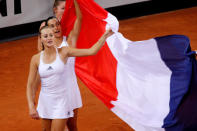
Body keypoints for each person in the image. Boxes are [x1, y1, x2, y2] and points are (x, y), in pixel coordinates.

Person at [26, 26, 113, 131]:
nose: (49, 38)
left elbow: (91, 51)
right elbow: (30, 85)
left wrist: (104, 36)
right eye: (45, 36)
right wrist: (31, 106)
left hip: (62, 101)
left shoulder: (64, 52)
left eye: (51, 35)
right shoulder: (35, 59)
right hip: (45, 101)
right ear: (40, 39)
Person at [36, 0, 82, 130]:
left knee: (72, 127)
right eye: (53, 26)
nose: (56, 27)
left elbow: (79, 18)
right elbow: (39, 55)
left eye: (58, 24)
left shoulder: (70, 41)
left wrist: (76, 1)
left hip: (70, 91)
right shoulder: (46, 49)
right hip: (52, 94)